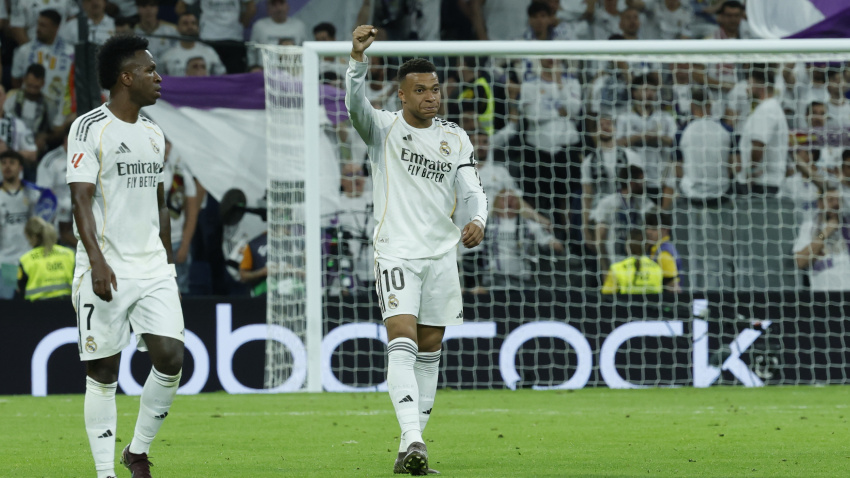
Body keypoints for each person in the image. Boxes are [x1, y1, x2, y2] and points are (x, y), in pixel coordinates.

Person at [345, 25, 487, 475]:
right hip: (396, 252)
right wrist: (357, 61)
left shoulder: (454, 137)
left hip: (442, 255)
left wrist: (478, 219)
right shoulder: (382, 129)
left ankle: (412, 447)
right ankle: (413, 439)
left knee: (430, 351)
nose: (431, 97)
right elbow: (354, 105)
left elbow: (473, 189)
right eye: (421, 90)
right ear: (402, 96)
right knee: (402, 339)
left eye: (435, 89)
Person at [66, 35, 183, 478]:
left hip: (152, 266)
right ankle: (105, 473)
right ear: (125, 77)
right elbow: (81, 199)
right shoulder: (90, 127)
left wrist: (167, 265)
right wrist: (95, 259)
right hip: (107, 265)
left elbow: (161, 204)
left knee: (171, 358)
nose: (158, 77)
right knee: (103, 370)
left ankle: (136, 450)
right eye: (150, 70)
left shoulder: (154, 132)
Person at [1, 150, 57, 299]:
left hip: (29, 258)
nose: (7, 167)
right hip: (4, 261)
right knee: (7, 307)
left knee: (30, 303)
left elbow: (48, 212)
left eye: (12, 163)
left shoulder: (34, 193)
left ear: (20, 168)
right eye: (4, 163)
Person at [591, 164, 655, 282]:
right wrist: (605, 269)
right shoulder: (607, 203)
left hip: (639, 269)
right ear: (631, 182)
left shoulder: (645, 203)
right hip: (615, 266)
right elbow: (599, 240)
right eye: (641, 180)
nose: (645, 183)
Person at [10, 9, 75, 117]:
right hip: (28, 110)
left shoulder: (70, 53)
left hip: (60, 110)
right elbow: (15, 81)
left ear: (56, 28)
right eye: (38, 24)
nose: (38, 29)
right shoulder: (24, 51)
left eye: (43, 25)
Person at [737, 64, 789, 197]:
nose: (746, 88)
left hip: (761, 184)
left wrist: (750, 173)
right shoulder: (770, 107)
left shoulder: (766, 110)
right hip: (766, 182)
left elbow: (758, 145)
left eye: (749, 83)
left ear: (757, 84)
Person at [793, 185, 850, 291]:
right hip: (824, 295)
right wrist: (825, 232)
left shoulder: (848, 226)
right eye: (830, 200)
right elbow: (800, 262)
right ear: (820, 204)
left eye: (839, 200)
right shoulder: (809, 226)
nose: (836, 204)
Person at [16, 216, 75, 300]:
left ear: (30, 236)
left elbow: (20, 288)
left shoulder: (26, 260)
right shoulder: (69, 254)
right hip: (67, 306)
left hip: (36, 308)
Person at [159, 13, 227, 76]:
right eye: (185, 23)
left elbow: (222, 77)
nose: (190, 26)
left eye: (193, 23)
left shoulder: (209, 52)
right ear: (178, 28)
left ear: (198, 27)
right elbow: (158, 80)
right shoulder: (167, 55)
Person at [247, 0, 308, 70]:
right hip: (264, 72)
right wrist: (253, 67)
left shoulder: (299, 26)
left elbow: (306, 51)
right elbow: (251, 51)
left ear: (287, 6)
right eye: (274, 4)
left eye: (281, 3)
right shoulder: (259, 26)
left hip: (293, 72)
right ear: (268, 8)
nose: (279, 8)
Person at [600, 227, 664, 295]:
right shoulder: (657, 268)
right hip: (651, 305)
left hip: (624, 305)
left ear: (627, 246)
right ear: (646, 246)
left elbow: (607, 296)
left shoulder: (616, 268)